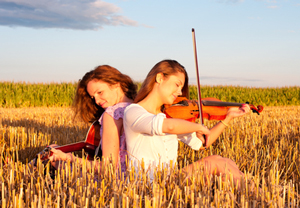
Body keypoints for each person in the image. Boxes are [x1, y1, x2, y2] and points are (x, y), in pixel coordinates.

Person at [123, 59, 251, 185]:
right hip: (147, 185)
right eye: (177, 84)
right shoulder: (133, 112)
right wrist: (197, 127)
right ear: (160, 78)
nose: (179, 92)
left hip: (169, 182)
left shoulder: (168, 115)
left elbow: (202, 144)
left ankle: (250, 194)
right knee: (216, 163)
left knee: (225, 161)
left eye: (181, 87)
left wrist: (228, 118)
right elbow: (169, 127)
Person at [47, 65, 137, 176]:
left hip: (115, 182)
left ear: (116, 84)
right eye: (93, 97)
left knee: (51, 151)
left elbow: (108, 169)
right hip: (137, 178)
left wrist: (69, 158)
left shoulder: (112, 114)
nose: (97, 101)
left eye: (100, 92)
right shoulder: (140, 107)